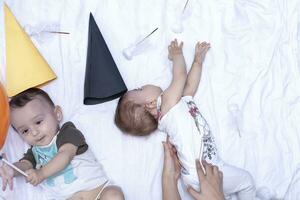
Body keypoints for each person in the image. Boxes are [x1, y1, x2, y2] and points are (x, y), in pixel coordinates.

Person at [115, 39, 256, 199]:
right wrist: (176, 55)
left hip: (193, 174)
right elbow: (180, 76)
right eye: (139, 89)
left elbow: (189, 88)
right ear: (150, 104)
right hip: (204, 168)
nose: (143, 85)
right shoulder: (167, 102)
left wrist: (197, 62)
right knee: (247, 182)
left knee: (229, 190)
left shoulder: (171, 112)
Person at [0, 88, 124, 200]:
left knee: (114, 194)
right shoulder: (34, 152)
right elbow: (25, 165)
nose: (34, 132)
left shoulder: (67, 133)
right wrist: (12, 169)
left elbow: (65, 155)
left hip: (98, 192)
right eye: (25, 130)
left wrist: (41, 173)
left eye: (38, 122)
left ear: (57, 114)